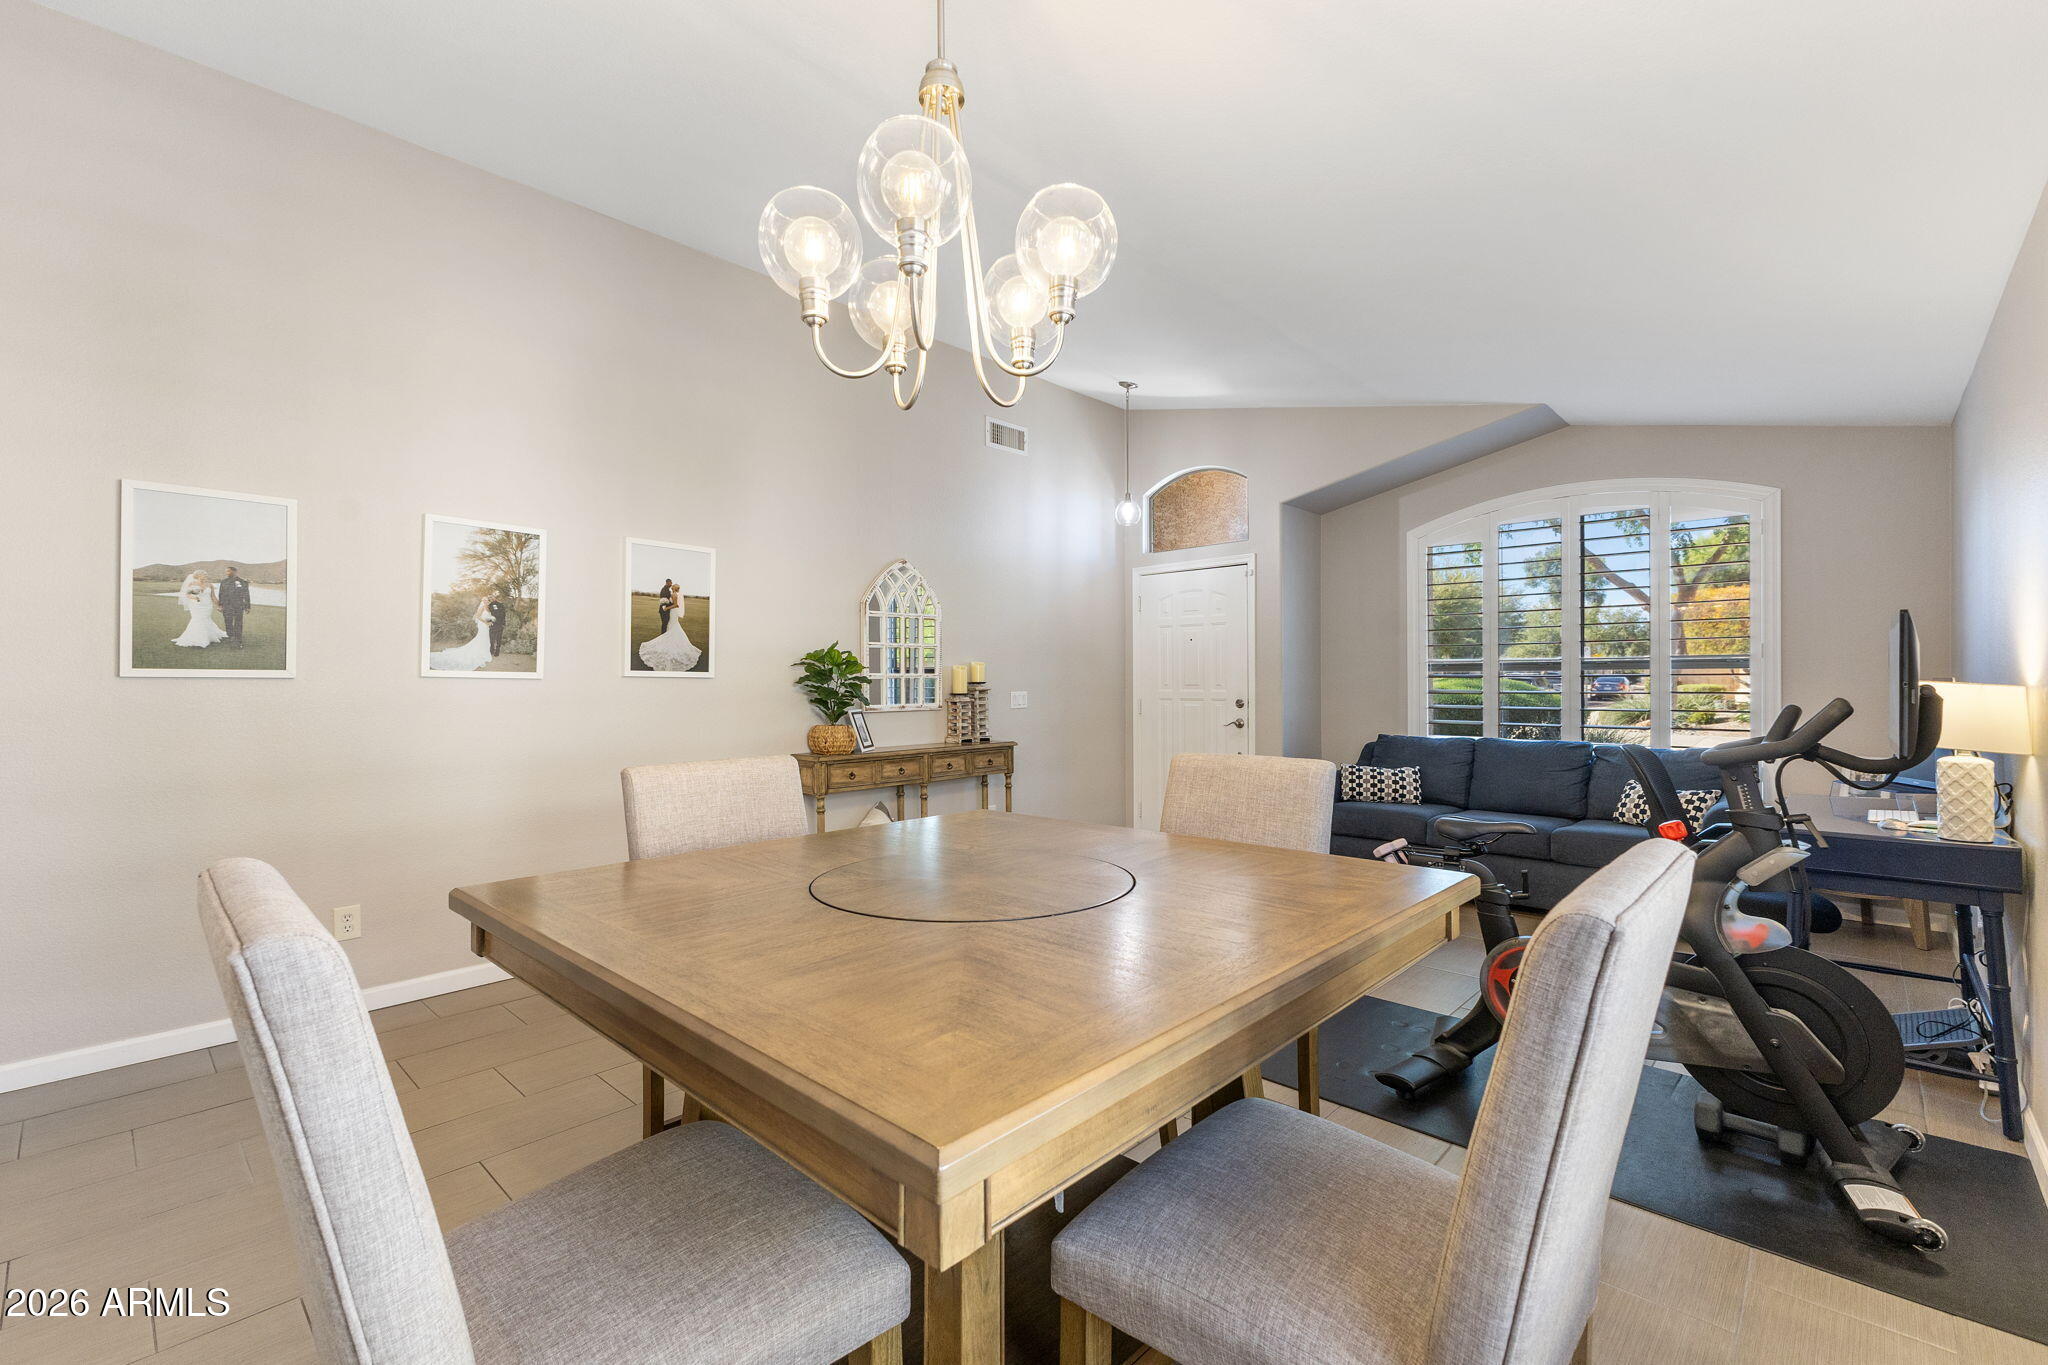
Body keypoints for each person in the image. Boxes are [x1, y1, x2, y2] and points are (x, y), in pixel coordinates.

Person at [430, 597, 495, 671]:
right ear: (483, 601)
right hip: (483, 625)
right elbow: (478, 616)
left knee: (485, 638)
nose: (486, 601)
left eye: (487, 600)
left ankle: (484, 652)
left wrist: (491, 620)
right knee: (482, 637)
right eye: (485, 600)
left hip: (486, 625)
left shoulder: (488, 608)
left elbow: (487, 616)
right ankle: (481, 653)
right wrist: (486, 622)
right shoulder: (482, 607)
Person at [637, 599, 703, 671]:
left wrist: (667, 608)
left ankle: (671, 638)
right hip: (673, 611)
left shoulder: (674, 594)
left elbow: (676, 604)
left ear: (674, 588)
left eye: (673, 587)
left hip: (673, 612)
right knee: (671, 625)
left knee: (672, 625)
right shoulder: (674, 593)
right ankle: (670, 638)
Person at [172, 570, 227, 649]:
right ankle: (198, 638)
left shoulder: (210, 585)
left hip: (207, 605)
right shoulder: (192, 584)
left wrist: (219, 605)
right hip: (196, 605)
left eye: (206, 575)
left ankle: (208, 636)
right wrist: (195, 597)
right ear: (198, 576)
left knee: (206, 619)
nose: (205, 576)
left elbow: (213, 597)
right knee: (197, 619)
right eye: (204, 575)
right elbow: (188, 594)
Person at [217, 567, 250, 648]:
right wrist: (220, 605)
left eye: (228, 571)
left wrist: (247, 606)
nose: (227, 572)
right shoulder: (223, 582)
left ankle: (238, 640)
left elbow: (246, 595)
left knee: (238, 623)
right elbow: (221, 594)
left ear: (234, 571)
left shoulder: (243, 582)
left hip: (238, 606)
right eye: (226, 571)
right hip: (226, 606)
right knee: (228, 622)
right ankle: (231, 637)